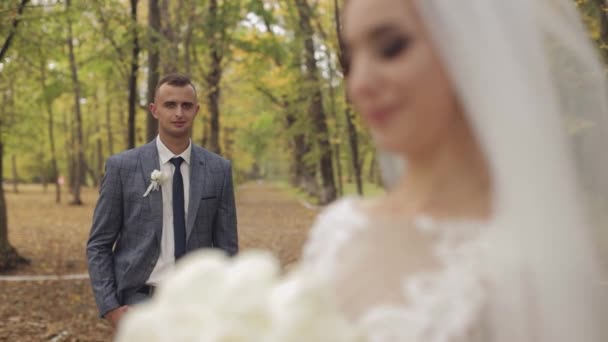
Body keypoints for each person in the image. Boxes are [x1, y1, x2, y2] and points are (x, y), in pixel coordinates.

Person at [301, 0, 608, 341]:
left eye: (391, 48)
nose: (359, 84)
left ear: (470, 47)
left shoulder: (532, 271)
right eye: (349, 60)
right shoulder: (337, 230)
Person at [86, 73, 238, 329]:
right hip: (141, 302)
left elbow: (227, 248)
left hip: (201, 304)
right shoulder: (122, 167)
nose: (179, 112)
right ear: (155, 110)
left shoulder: (218, 169)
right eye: (170, 105)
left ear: (196, 110)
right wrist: (110, 308)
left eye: (186, 105)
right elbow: (99, 244)